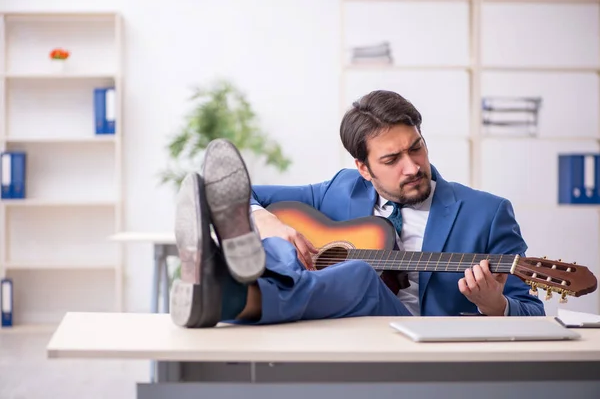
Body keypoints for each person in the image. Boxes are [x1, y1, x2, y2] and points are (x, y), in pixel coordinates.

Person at [169, 90, 545, 328]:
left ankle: (229, 293)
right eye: (392, 159)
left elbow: (533, 313)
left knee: (361, 275)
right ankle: (227, 289)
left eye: (416, 147)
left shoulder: (487, 212)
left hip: (419, 342)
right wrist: (266, 220)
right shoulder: (340, 190)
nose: (412, 166)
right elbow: (237, 191)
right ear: (363, 168)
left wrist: (494, 305)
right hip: (341, 334)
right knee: (286, 242)